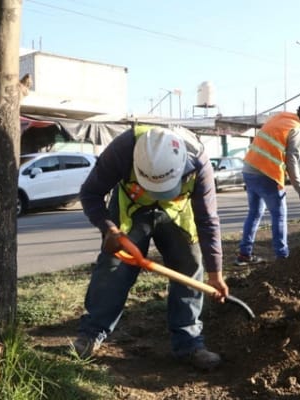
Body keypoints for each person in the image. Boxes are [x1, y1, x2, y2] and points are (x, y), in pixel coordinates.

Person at [73, 126, 228, 371]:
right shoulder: (123, 149)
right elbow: (90, 193)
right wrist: (109, 229)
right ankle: (91, 334)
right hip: (130, 210)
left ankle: (188, 344)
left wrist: (215, 274)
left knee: (190, 266)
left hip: (177, 213)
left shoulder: (198, 162)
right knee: (114, 268)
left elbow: (208, 220)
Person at [234, 102, 300, 265]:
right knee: (279, 216)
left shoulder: (280, 118)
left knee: (254, 213)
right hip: (267, 175)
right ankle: (283, 258)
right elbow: (292, 163)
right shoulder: (297, 130)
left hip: (249, 170)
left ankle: (244, 255)